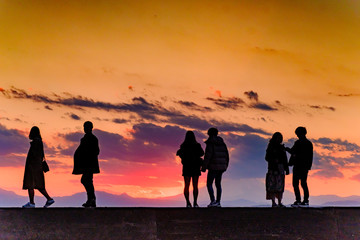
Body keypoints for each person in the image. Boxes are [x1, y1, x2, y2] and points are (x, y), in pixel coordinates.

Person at [22, 126, 54, 208]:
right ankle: (49, 199)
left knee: (30, 184)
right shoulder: (39, 142)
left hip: (33, 166)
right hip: (38, 166)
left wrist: (30, 165)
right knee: (39, 185)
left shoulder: (36, 142)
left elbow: (33, 155)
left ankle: (32, 203)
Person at [73, 121, 100, 208]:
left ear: (90, 128)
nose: (84, 129)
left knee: (86, 180)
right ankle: (91, 199)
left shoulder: (92, 139)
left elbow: (96, 151)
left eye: (86, 127)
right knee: (87, 181)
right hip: (86, 165)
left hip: (89, 165)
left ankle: (91, 199)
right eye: (84, 127)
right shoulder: (85, 138)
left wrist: (87, 155)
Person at [202, 128, 229, 208]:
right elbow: (226, 155)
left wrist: (204, 167)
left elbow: (208, 156)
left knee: (209, 183)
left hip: (213, 167)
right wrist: (225, 165)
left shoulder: (210, 143)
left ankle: (213, 201)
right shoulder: (222, 143)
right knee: (218, 184)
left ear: (209, 134)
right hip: (221, 167)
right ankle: (218, 202)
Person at [286, 127, 313, 207]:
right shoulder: (308, 143)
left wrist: (287, 149)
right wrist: (308, 166)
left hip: (298, 166)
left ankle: (299, 200)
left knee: (296, 183)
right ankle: (305, 200)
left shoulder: (298, 143)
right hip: (304, 166)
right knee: (303, 183)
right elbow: (310, 156)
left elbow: (293, 152)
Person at [176, 131, 204, 208]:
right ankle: (195, 203)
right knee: (195, 186)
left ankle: (188, 203)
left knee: (186, 185)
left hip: (187, 167)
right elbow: (202, 153)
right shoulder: (197, 145)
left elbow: (179, 154)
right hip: (195, 167)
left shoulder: (183, 146)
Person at [265, 132, 289, 208]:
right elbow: (267, 157)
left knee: (280, 186)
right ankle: (274, 202)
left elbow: (285, 159)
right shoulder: (271, 147)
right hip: (273, 169)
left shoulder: (281, 148)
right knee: (272, 186)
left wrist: (286, 168)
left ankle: (279, 202)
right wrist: (274, 160)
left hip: (280, 169)